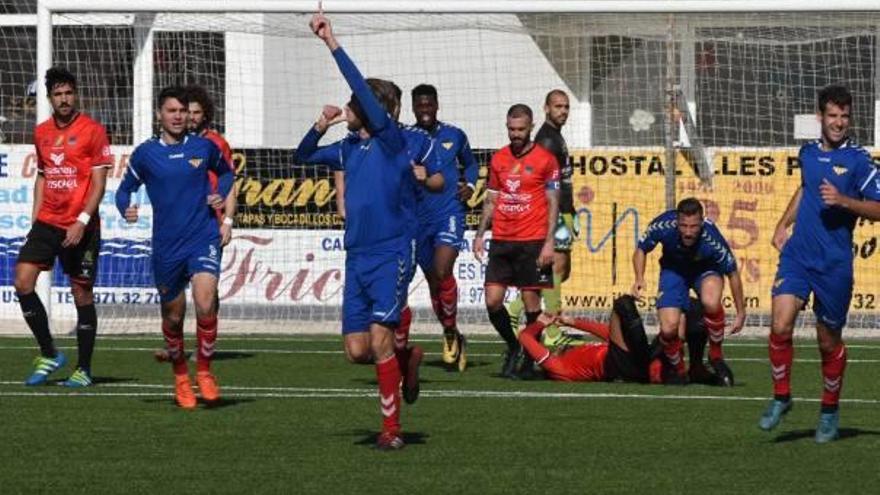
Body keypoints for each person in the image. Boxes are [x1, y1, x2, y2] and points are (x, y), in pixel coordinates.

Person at [294, 10, 444, 450]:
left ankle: (391, 431)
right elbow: (302, 156)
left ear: (372, 109)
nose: (348, 107)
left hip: (392, 252)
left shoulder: (393, 142)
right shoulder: (346, 149)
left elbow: (360, 86)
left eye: (354, 104)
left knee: (378, 341)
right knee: (357, 351)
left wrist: (331, 41)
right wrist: (320, 125)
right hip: (356, 255)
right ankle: (408, 357)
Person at [759, 85, 880, 443]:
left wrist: (844, 200)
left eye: (844, 116)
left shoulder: (860, 161)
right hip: (798, 257)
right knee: (780, 325)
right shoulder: (807, 153)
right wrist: (784, 223)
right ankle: (781, 397)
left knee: (828, 342)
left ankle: (829, 409)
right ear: (820, 117)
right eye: (832, 116)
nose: (839, 122)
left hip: (834, 265)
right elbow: (806, 189)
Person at [115, 86, 233, 409]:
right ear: (159, 115)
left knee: (206, 300)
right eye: (172, 111)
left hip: (202, 236)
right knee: (174, 315)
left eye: (183, 111)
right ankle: (181, 375)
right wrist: (125, 208)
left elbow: (226, 173)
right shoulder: (145, 154)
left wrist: (220, 193)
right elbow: (124, 191)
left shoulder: (203, 147)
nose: (179, 116)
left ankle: (205, 371)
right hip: (168, 246)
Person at [16, 67, 112, 387]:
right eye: (58, 94)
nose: (64, 99)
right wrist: (35, 218)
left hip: (81, 225)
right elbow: (43, 175)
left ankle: (84, 369)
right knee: (23, 282)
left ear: (76, 94)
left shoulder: (93, 130)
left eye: (68, 92)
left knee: (81, 292)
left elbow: (99, 182)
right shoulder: (41, 132)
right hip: (47, 221)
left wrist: (82, 221)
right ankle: (50, 352)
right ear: (49, 98)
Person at [474, 103, 560, 379]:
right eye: (511, 129)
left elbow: (553, 202)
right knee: (492, 301)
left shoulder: (546, 159)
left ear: (531, 127)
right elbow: (491, 198)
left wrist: (549, 242)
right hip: (502, 240)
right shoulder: (498, 159)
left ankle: (532, 358)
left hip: (533, 240)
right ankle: (513, 346)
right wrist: (479, 234)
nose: (516, 134)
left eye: (521, 129)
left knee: (531, 302)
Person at [631, 197, 745, 385]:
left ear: (702, 222)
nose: (688, 232)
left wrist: (741, 312)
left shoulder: (712, 238)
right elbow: (641, 249)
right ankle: (680, 370)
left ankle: (715, 355)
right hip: (674, 271)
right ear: (677, 222)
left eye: (693, 227)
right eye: (684, 226)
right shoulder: (663, 225)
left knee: (710, 301)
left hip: (705, 270)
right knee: (669, 329)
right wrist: (639, 278)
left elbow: (732, 273)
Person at [411, 83, 479, 371]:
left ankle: (450, 331)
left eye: (429, 104)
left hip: (449, 212)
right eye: (420, 105)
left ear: (437, 105)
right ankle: (451, 331)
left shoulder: (455, 134)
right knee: (433, 281)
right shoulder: (407, 138)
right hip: (418, 218)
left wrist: (472, 185)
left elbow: (472, 164)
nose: (425, 110)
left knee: (442, 270)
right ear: (414, 108)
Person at [508, 89, 576, 348]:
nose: (563, 111)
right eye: (558, 106)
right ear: (546, 108)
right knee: (554, 268)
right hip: (553, 213)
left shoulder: (555, 137)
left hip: (563, 211)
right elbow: (546, 185)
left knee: (561, 270)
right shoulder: (547, 140)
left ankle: (514, 310)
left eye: (566, 107)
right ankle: (553, 329)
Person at [518, 296, 652, 383]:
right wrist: (540, 323)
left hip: (626, 359)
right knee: (623, 303)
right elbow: (524, 337)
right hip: (618, 367)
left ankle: (655, 364)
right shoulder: (559, 368)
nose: (558, 347)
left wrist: (573, 322)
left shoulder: (576, 355)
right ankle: (646, 360)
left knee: (666, 337)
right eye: (553, 351)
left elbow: (609, 334)